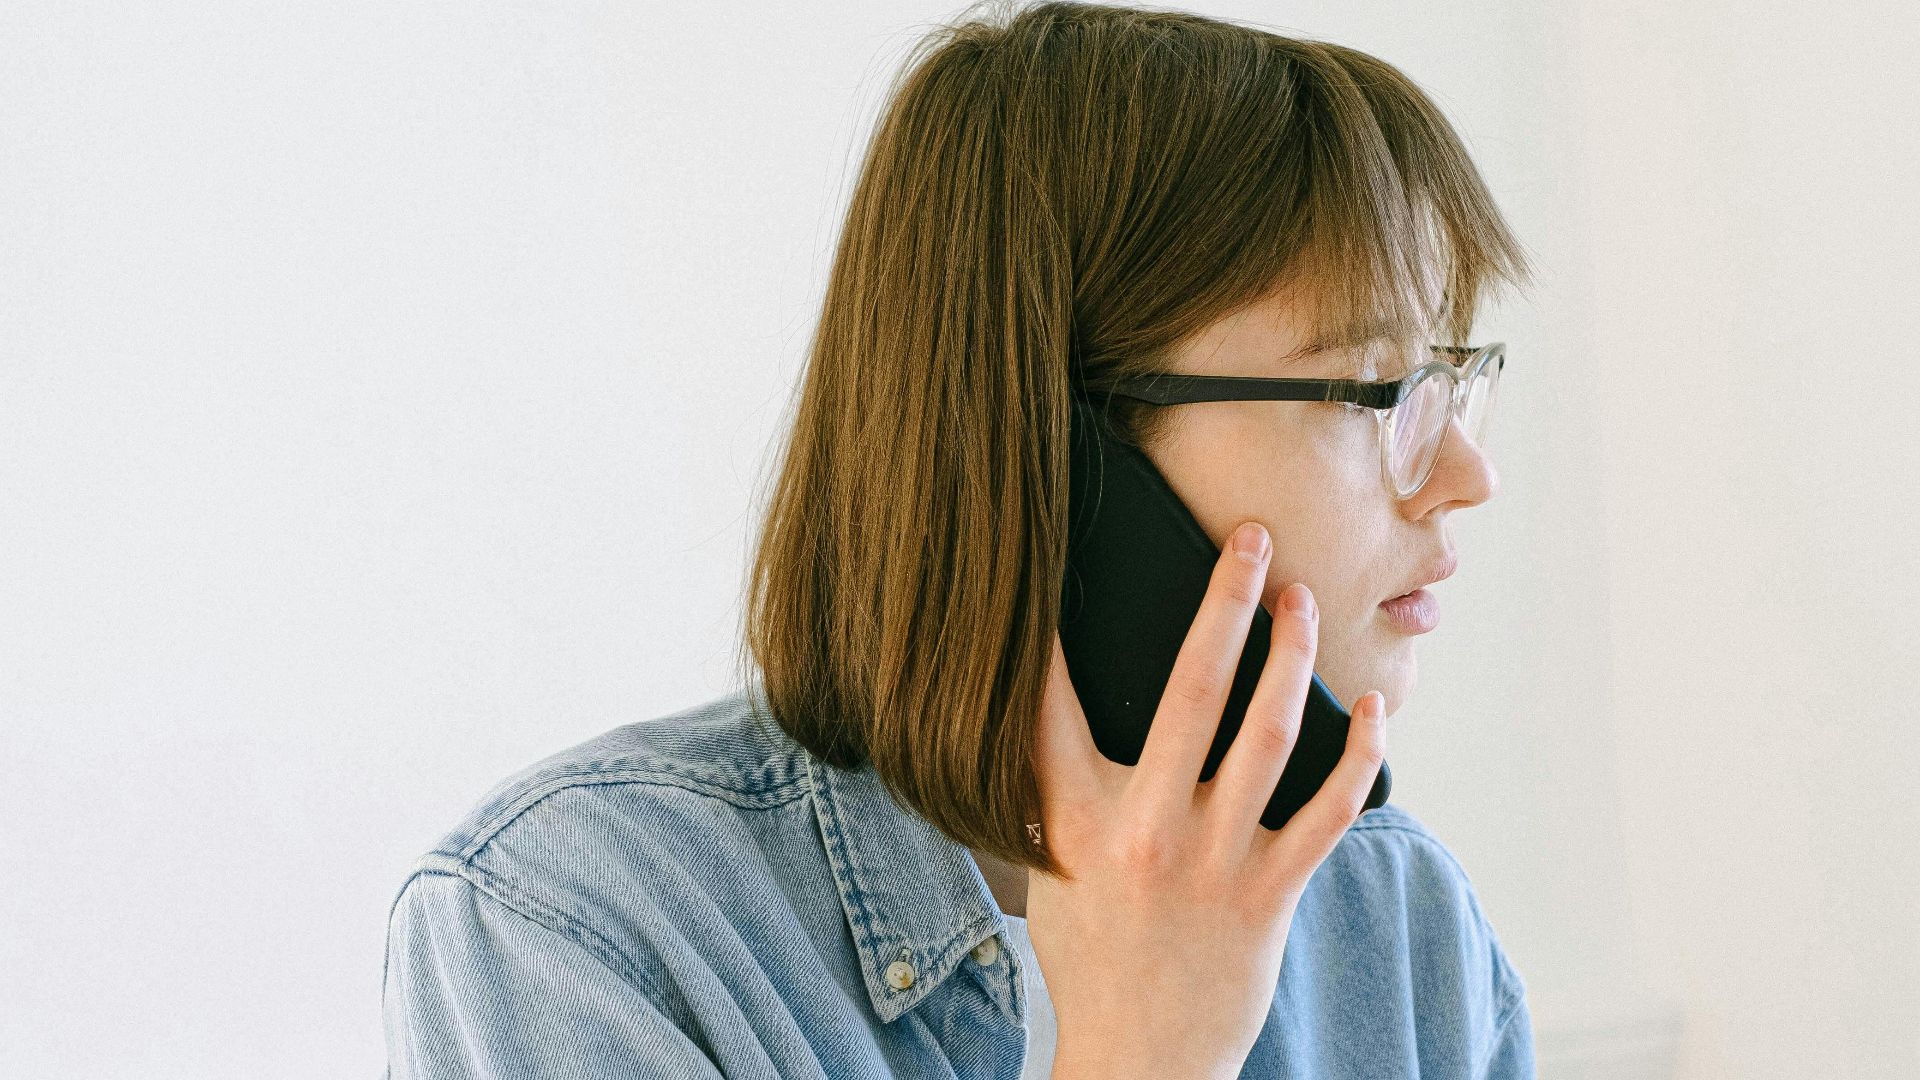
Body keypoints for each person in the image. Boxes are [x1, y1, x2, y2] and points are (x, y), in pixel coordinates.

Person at [382, 1, 1539, 1077]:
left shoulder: (1399, 926)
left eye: (1454, 379)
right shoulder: (570, 932)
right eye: (1379, 388)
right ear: (1055, 446)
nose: (1464, 477)